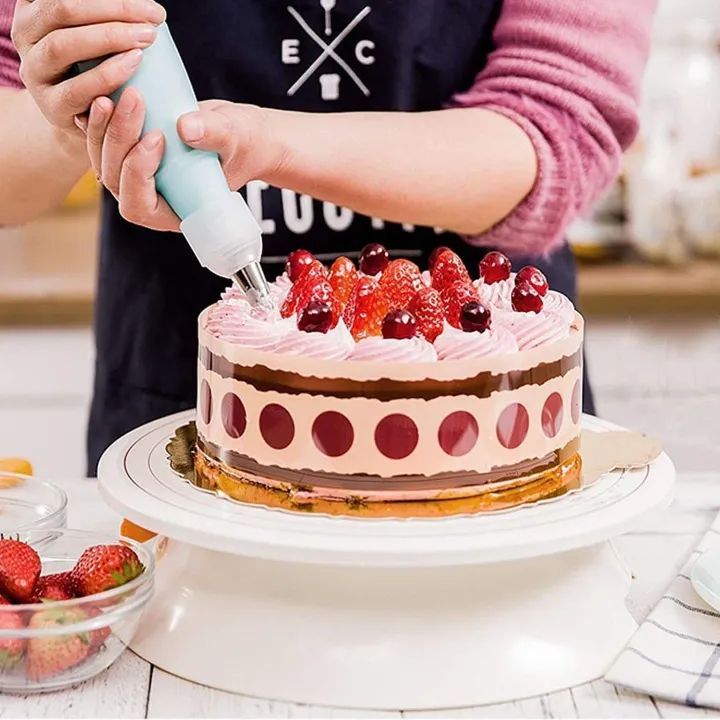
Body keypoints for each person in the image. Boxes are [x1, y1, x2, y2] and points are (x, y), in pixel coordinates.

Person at [0, 0, 656, 473]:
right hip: (180, 409)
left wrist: (267, 142)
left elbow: (558, 132)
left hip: (493, 434)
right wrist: (72, 118)